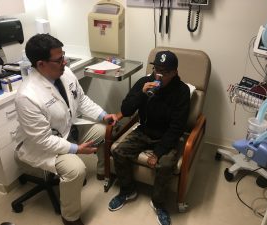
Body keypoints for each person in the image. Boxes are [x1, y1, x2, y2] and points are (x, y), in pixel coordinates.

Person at [14, 33, 117, 225]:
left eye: (64, 56)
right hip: (45, 146)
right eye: (59, 59)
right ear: (41, 64)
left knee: (104, 130)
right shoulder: (27, 96)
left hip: (68, 130)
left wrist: (103, 115)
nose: (65, 61)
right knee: (76, 169)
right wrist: (77, 149)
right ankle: (70, 217)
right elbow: (43, 140)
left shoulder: (65, 73)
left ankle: (104, 171)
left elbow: (82, 99)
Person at [108, 50, 190, 225]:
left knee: (166, 163)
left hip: (166, 136)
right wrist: (141, 94)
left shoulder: (181, 91)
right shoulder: (144, 82)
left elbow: (177, 128)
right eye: (156, 69)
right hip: (144, 131)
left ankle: (158, 203)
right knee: (119, 151)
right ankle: (128, 190)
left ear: (174, 72)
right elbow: (127, 110)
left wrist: (158, 153)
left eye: (164, 72)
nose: (158, 75)